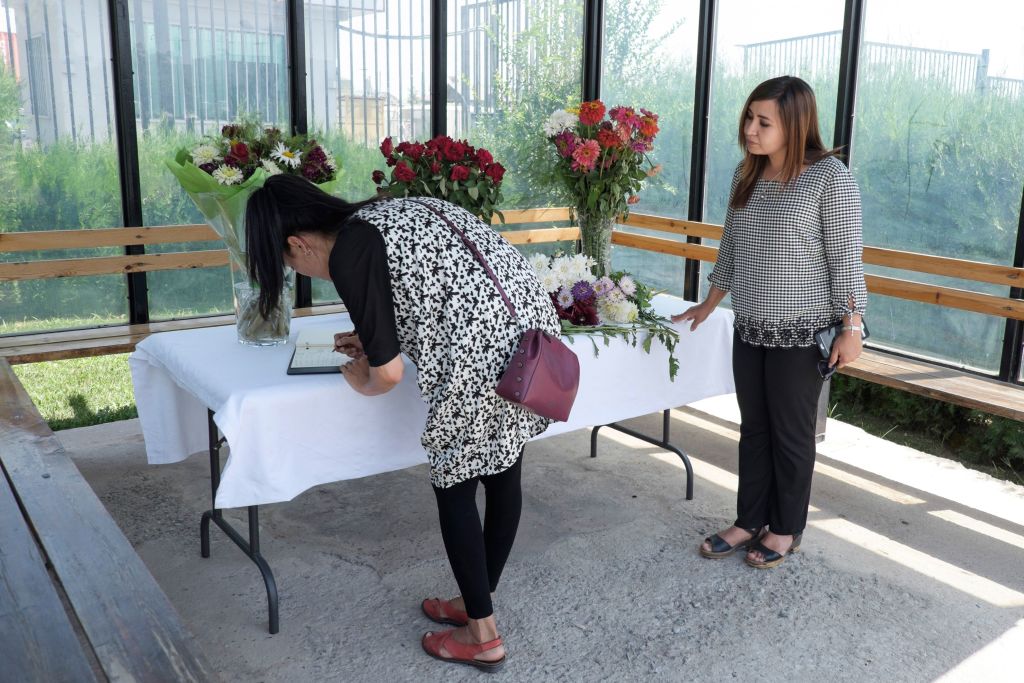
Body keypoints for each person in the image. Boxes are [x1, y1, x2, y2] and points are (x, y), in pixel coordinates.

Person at [244, 175, 560, 670]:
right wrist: (371, 337)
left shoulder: (349, 249)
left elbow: (388, 377)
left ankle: (483, 636)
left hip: (480, 355)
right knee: (503, 474)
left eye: (288, 262)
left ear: (296, 243)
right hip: (530, 342)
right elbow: (435, 288)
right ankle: (476, 603)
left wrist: (362, 379)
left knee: (454, 486)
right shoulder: (385, 214)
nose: (297, 269)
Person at [673, 76, 867, 569]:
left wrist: (853, 326)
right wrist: (709, 302)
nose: (750, 129)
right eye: (748, 118)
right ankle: (748, 519)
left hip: (802, 334)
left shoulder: (829, 177)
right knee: (754, 429)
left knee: (791, 434)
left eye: (764, 122)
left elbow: (845, 258)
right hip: (751, 326)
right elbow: (732, 248)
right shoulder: (748, 173)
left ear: (795, 125)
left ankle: (785, 528)